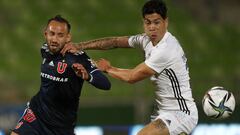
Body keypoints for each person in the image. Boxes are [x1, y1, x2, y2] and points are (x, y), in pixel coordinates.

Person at [61, 0, 198, 135]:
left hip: (181, 113)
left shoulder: (166, 49)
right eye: (148, 22)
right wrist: (80, 46)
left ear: (166, 22)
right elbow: (114, 42)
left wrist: (108, 68)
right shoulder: (145, 40)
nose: (152, 27)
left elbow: (132, 77)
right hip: (162, 113)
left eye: (157, 22)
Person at [11, 15, 111, 135]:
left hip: (62, 126)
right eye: (52, 34)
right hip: (36, 114)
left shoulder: (77, 57)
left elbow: (106, 84)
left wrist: (87, 76)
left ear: (68, 37)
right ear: (45, 34)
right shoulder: (45, 49)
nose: (54, 39)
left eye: (60, 35)